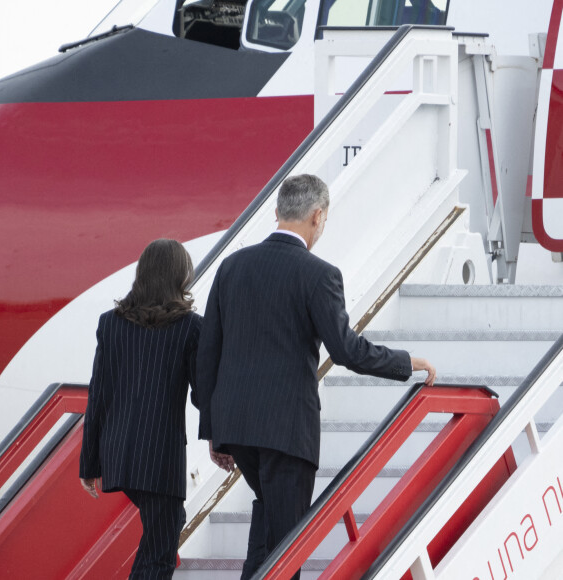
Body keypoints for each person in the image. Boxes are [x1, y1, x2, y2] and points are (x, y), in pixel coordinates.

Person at [196, 174, 436, 579]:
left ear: (277, 212)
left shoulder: (231, 267)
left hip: (237, 429)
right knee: (290, 546)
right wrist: (405, 361)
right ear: (317, 216)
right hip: (287, 432)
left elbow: (208, 356)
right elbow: (346, 351)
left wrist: (214, 431)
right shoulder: (319, 274)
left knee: (270, 530)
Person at [79, 239, 227, 579]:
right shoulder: (191, 327)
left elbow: (98, 395)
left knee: (165, 529)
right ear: (179, 277)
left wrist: (89, 463)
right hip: (160, 458)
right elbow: (203, 393)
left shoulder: (110, 323)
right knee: (160, 553)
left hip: (118, 453)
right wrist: (218, 439)